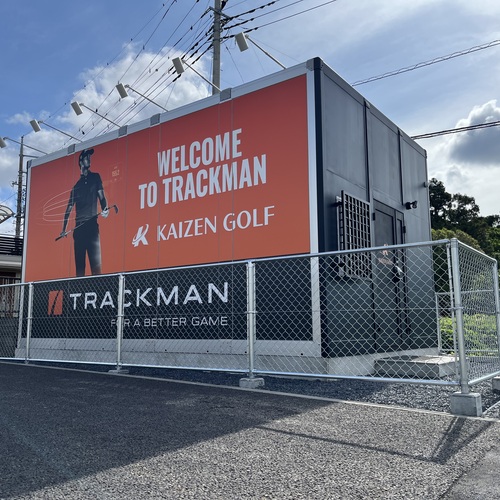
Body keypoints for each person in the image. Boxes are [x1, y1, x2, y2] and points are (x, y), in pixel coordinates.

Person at [60, 148, 109, 277]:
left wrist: (105, 208)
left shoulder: (95, 177)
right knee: (80, 269)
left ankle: (98, 288)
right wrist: (63, 229)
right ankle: (80, 289)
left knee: (96, 267)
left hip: (92, 225)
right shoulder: (76, 187)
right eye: (87, 158)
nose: (89, 159)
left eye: (89, 157)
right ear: (81, 162)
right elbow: (68, 209)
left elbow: (102, 197)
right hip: (79, 228)